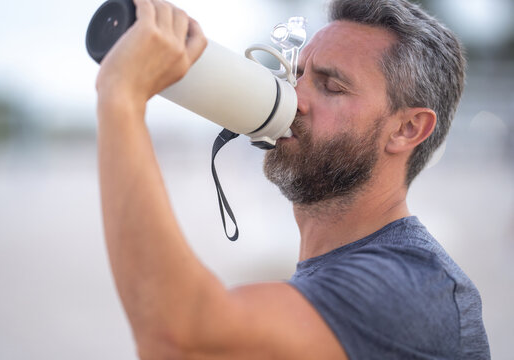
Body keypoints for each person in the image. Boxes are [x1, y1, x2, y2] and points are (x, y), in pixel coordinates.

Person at [95, 0, 490, 358]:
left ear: (407, 129)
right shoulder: (341, 275)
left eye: (332, 86)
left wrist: (121, 98)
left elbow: (179, 340)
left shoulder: (415, 286)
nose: (295, 97)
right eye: (297, 75)